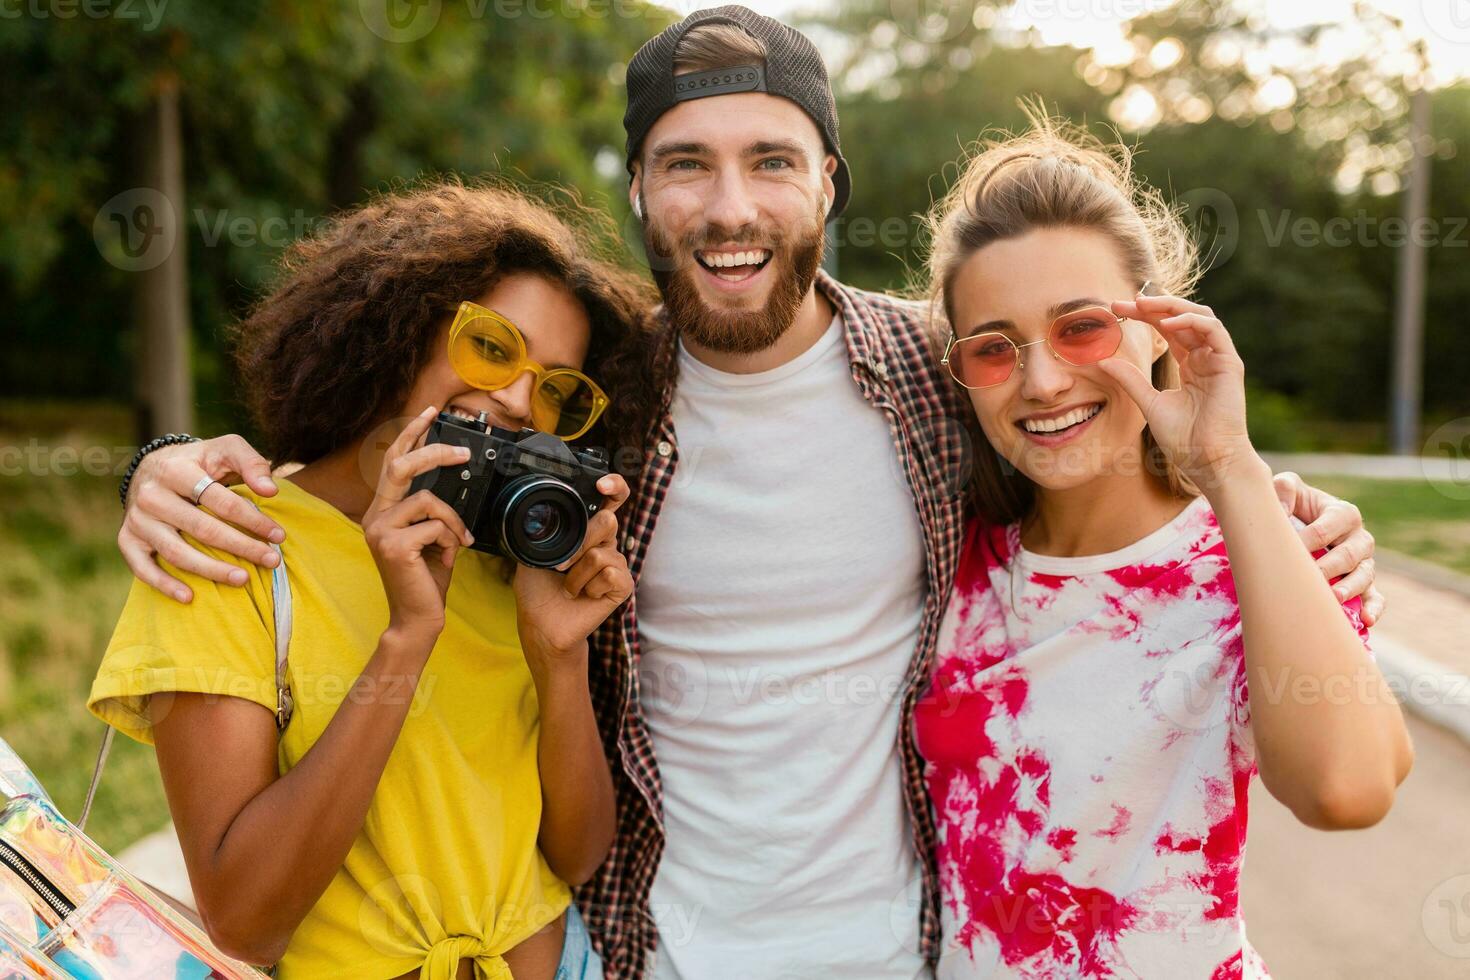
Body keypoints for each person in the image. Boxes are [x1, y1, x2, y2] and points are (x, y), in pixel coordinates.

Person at [109, 9, 1387, 978]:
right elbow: (384, 445)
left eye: (772, 161)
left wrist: (1272, 504)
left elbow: (1091, 435)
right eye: (686, 165)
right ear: (639, 193)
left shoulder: (939, 374)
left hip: (912, 947)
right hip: (647, 949)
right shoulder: (598, 399)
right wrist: (169, 456)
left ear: (827, 181)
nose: (731, 206)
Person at [90, 180, 653, 979]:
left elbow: (577, 855)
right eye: (493, 347)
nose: (521, 401)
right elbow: (245, 922)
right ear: (395, 332)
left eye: (557, 388)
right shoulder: (232, 544)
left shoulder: (515, 557)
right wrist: (406, 638)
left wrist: (557, 658)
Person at [913, 116, 1413, 978]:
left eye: (1082, 328)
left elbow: (1348, 789)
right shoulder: (950, 557)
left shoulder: (1257, 554)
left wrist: (1232, 469)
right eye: (995, 348)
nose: (1042, 382)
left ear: (1158, 326)